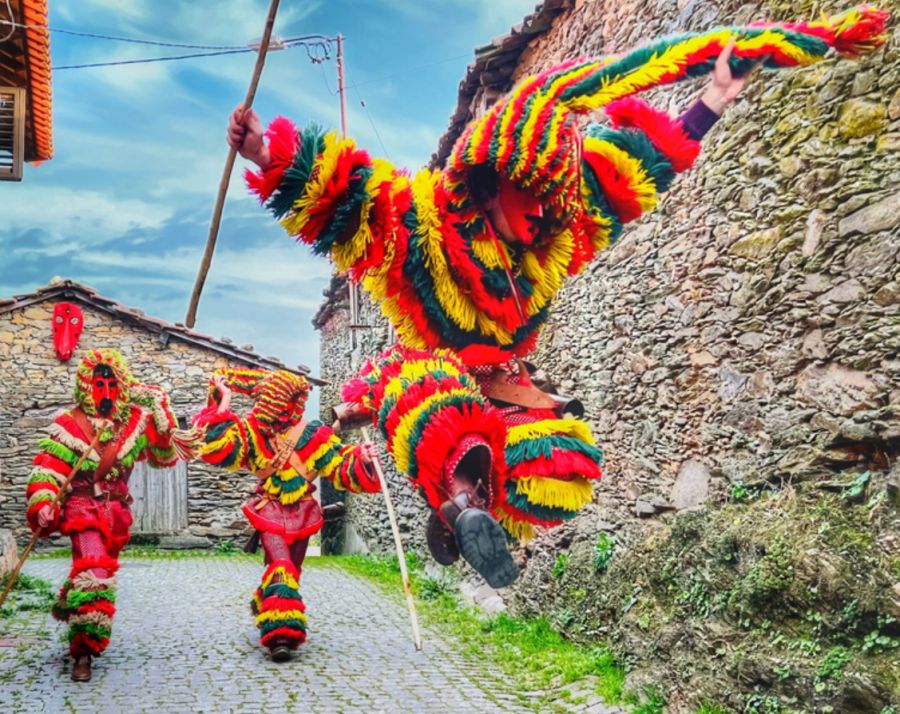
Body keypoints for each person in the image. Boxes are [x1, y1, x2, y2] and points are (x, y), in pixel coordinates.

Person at [225, 8, 886, 587]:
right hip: (425, 376)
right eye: (533, 196)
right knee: (445, 414)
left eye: (555, 200)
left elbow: (646, 165)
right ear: (491, 181)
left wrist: (713, 95)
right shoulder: (421, 224)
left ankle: (469, 515)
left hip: (503, 381)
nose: (545, 213)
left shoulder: (559, 235)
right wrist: (263, 151)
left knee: (564, 461)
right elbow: (348, 195)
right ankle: (459, 498)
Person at [191, 367, 379, 661]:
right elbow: (216, 448)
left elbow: (338, 462)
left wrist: (361, 457)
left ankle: (267, 602)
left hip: (303, 511)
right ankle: (281, 635)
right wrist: (223, 399)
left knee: (292, 570)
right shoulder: (252, 431)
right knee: (281, 566)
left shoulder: (314, 433)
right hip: (269, 511)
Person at [25, 348, 184, 682]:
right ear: (87, 386)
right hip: (81, 508)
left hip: (116, 513)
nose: (107, 393)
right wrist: (44, 502)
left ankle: (76, 605)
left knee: (97, 572)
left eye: (113, 385)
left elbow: (164, 453)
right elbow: (47, 470)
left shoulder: (134, 423)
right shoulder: (70, 424)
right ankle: (83, 651)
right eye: (99, 385)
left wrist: (158, 407)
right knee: (95, 572)